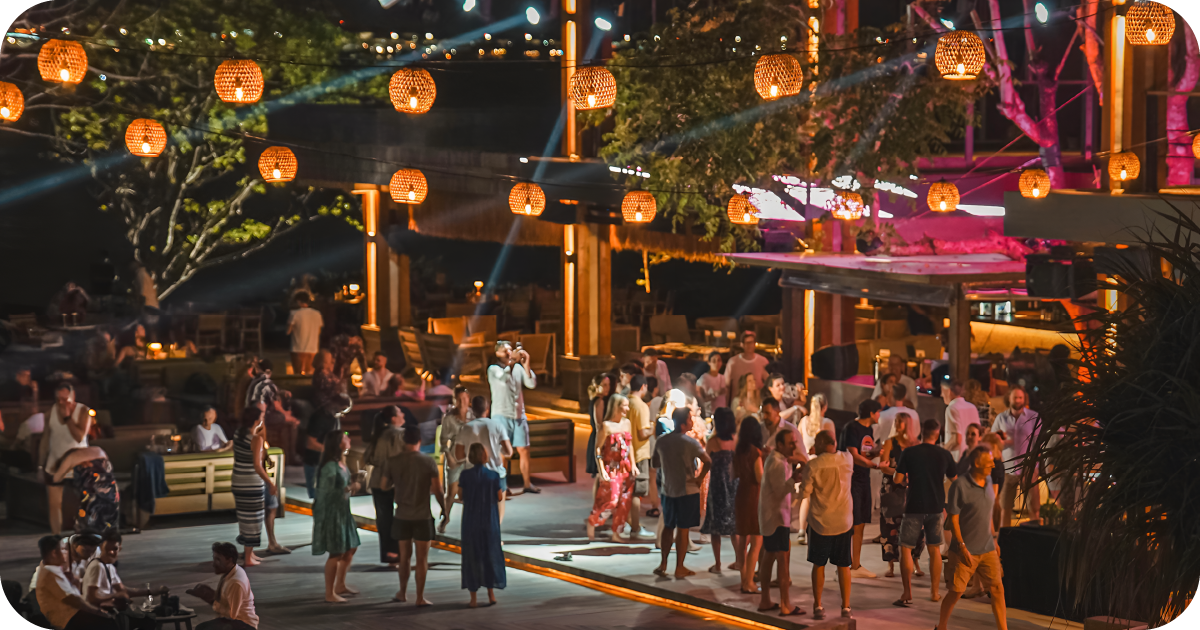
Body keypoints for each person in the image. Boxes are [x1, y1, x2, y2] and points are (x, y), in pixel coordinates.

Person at [937, 446, 1008, 630]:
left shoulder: (989, 480)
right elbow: (953, 519)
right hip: (965, 550)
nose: (993, 464)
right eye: (989, 461)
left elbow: (988, 511)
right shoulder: (960, 485)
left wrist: (993, 538)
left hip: (987, 548)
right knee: (956, 591)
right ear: (977, 463)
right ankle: (941, 626)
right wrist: (961, 547)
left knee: (998, 589)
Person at [893, 419, 958, 606]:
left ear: (922, 432)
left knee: (905, 547)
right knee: (934, 548)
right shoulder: (944, 454)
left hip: (914, 505)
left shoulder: (909, 452)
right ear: (937, 434)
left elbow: (897, 479)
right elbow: (955, 480)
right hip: (936, 506)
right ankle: (935, 592)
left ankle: (907, 593)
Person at [382, 424, 445, 606]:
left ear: (403, 441)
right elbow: (437, 490)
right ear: (419, 441)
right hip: (422, 515)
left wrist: (399, 486)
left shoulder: (393, 461)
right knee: (422, 559)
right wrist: (444, 509)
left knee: (404, 557)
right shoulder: (427, 462)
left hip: (402, 514)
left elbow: (384, 485)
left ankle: (402, 592)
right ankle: (419, 597)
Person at [801, 430, 855, 620]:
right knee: (844, 565)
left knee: (819, 564)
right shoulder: (847, 459)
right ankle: (846, 607)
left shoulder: (813, 465)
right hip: (844, 521)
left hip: (820, 522)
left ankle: (818, 605)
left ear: (820, 444)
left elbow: (805, 492)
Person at [652, 407, 712, 579]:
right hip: (687, 490)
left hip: (668, 488)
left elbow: (655, 462)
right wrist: (699, 479)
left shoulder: (662, 441)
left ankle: (663, 563)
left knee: (668, 527)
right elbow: (707, 461)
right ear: (685, 422)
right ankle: (679, 566)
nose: (692, 421)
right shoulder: (690, 443)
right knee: (683, 529)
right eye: (690, 418)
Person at [758, 428, 805, 617]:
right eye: (790, 442)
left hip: (771, 518)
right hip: (777, 518)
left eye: (794, 441)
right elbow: (779, 491)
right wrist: (793, 479)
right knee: (783, 560)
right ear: (779, 445)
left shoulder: (778, 460)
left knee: (768, 557)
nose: (794, 445)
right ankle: (786, 604)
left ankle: (765, 599)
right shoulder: (777, 463)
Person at [312, 430, 361, 603]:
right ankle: (329, 592)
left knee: (350, 547)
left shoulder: (341, 463)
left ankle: (340, 583)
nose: (349, 439)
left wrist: (351, 485)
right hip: (333, 513)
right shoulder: (330, 467)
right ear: (338, 443)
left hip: (343, 511)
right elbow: (327, 493)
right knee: (336, 552)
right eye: (345, 437)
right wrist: (349, 488)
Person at [38, 382, 92, 535]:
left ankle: (84, 534)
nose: (61, 402)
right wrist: (40, 466)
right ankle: (56, 536)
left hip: (78, 464)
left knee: (83, 502)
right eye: (58, 399)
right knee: (54, 504)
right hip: (55, 463)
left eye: (65, 399)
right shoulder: (50, 413)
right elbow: (45, 440)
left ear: (72, 396)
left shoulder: (83, 411)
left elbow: (79, 436)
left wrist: (68, 417)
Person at [487, 340, 540, 494]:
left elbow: (531, 383)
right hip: (500, 415)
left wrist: (526, 364)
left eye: (511, 350)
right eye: (505, 351)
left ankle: (527, 483)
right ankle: (503, 486)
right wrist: (512, 363)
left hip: (519, 415)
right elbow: (503, 380)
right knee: (503, 452)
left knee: (524, 449)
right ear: (497, 353)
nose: (509, 353)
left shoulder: (517, 368)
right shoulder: (493, 369)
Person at [35, 534, 118, 630]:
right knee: (108, 621)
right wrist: (97, 611)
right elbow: (73, 600)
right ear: (54, 553)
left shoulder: (54, 569)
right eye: (63, 549)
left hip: (73, 614)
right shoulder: (51, 573)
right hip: (67, 619)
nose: (67, 552)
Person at [83, 530, 167, 624]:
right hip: (96, 617)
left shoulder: (109, 567)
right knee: (147, 620)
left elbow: (123, 590)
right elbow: (91, 598)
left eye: (114, 549)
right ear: (101, 547)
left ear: (120, 548)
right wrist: (114, 597)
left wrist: (151, 591)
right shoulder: (97, 567)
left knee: (148, 618)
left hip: (107, 613)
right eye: (108, 549)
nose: (111, 552)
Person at [459, 442, 506, 608]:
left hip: (471, 520)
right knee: (490, 555)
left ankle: (473, 598)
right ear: (485, 456)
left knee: (472, 556)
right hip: (489, 520)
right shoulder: (493, 476)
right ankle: (491, 594)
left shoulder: (465, 475)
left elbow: (461, 495)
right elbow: (499, 497)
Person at [878, 413, 924, 579]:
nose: (897, 424)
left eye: (900, 422)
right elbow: (884, 467)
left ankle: (916, 561)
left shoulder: (916, 444)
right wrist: (900, 474)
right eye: (896, 421)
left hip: (912, 489)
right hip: (891, 487)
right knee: (890, 526)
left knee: (916, 527)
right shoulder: (890, 442)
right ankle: (891, 565)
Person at [839, 399, 881, 578]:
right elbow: (853, 455)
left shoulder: (869, 430)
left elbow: (865, 452)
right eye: (878, 411)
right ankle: (845, 564)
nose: (880, 415)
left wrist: (879, 452)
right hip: (851, 480)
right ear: (871, 413)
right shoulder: (852, 428)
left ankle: (856, 564)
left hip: (864, 479)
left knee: (861, 521)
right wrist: (875, 465)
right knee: (851, 522)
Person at [587, 393, 636, 542]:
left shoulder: (627, 423)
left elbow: (630, 445)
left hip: (625, 467)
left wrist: (633, 464)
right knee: (611, 500)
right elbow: (598, 450)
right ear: (617, 406)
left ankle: (616, 532)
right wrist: (601, 470)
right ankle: (593, 521)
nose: (628, 408)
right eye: (625, 405)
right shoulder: (606, 426)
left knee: (625, 501)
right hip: (611, 468)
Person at [456, 397, 514, 522]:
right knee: (498, 506)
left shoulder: (465, 428)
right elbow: (509, 452)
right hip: (495, 472)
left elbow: (458, 455)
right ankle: (495, 535)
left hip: (471, 473)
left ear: (473, 410)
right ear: (487, 410)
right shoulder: (497, 426)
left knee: (472, 508)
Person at [992, 386, 1041, 526]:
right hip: (1008, 468)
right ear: (1009, 398)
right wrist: (1004, 442)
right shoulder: (1001, 418)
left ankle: (1034, 536)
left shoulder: (1033, 417)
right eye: (1015, 397)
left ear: (1024, 399)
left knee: (1034, 506)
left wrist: (1035, 465)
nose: (1018, 400)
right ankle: (1005, 538)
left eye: (1020, 397)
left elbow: (1039, 442)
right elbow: (994, 439)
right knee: (1005, 507)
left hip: (1028, 468)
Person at [232, 407, 275, 566]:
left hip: (238, 479)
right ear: (257, 420)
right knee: (254, 518)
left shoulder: (238, 434)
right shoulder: (255, 439)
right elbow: (257, 465)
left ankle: (250, 553)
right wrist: (270, 483)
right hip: (251, 482)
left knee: (245, 518)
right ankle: (249, 558)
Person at [364, 406, 406, 565]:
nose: (403, 414)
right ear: (394, 418)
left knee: (383, 520)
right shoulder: (397, 434)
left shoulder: (379, 433)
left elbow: (367, 456)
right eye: (400, 412)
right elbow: (398, 460)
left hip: (376, 480)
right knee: (397, 520)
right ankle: (396, 555)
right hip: (392, 481)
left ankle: (388, 555)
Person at [699, 408, 738, 573]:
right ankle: (739, 560)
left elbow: (706, 463)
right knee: (735, 527)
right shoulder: (736, 440)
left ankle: (718, 564)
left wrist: (699, 479)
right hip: (733, 485)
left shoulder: (713, 442)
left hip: (717, 487)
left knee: (716, 526)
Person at [305, 350, 347, 499]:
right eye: (330, 360)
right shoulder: (322, 376)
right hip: (317, 463)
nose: (332, 363)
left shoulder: (332, 416)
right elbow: (310, 443)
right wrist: (330, 451)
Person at [188, 542, 259, 629]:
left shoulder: (235, 582)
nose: (214, 564)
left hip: (244, 624)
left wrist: (211, 600)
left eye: (218, 560)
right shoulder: (231, 572)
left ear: (229, 559)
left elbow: (232, 616)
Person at [51, 447, 119, 534]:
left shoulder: (71, 457)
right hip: (111, 491)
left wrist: (67, 471)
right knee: (109, 524)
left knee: (89, 527)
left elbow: (56, 478)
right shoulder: (99, 450)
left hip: (92, 494)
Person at [733, 416, 765, 594]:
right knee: (756, 540)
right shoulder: (755, 452)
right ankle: (750, 582)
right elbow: (759, 476)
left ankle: (743, 579)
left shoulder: (738, 451)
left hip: (741, 494)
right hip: (754, 494)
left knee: (742, 540)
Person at [439, 386, 474, 533]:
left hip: (470, 458)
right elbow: (443, 441)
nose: (463, 402)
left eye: (465, 398)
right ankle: (445, 517)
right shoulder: (449, 419)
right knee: (452, 491)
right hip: (455, 456)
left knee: (468, 492)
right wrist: (449, 457)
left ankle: (469, 523)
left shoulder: (473, 415)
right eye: (459, 399)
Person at [626, 375, 655, 540]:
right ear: (643, 387)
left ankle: (625, 522)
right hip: (638, 453)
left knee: (626, 492)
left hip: (625, 454)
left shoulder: (624, 402)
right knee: (637, 492)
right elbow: (643, 433)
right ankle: (635, 527)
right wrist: (653, 427)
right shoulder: (641, 406)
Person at [724, 330, 769, 404]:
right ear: (742, 344)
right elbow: (726, 386)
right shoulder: (733, 362)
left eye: (752, 342)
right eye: (747, 343)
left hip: (756, 405)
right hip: (738, 405)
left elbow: (769, 384)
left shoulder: (763, 361)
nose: (750, 345)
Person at [942, 379, 979, 462]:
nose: (941, 395)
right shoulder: (972, 407)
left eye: (942, 391)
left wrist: (941, 452)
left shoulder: (952, 408)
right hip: (972, 456)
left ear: (949, 391)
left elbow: (956, 440)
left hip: (956, 459)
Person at [287, 292, 323, 376]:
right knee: (310, 374)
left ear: (298, 301)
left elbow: (288, 331)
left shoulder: (294, 313)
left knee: (298, 374)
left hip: (298, 348)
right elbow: (319, 331)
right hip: (313, 348)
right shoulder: (317, 314)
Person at [585, 373, 612, 479]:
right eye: (604, 385)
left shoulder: (595, 399)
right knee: (599, 473)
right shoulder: (599, 401)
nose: (607, 388)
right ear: (597, 386)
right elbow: (598, 424)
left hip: (595, 436)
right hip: (598, 437)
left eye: (608, 385)